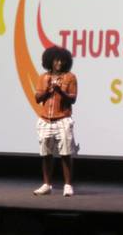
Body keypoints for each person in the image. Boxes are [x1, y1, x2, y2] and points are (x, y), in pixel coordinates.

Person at [33, 46, 78, 197]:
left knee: (66, 153)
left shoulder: (70, 77)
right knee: (46, 153)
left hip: (62, 119)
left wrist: (60, 91)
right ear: (50, 61)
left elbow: (73, 99)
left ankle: (68, 185)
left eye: (62, 60)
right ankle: (47, 185)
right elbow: (37, 98)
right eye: (56, 60)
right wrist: (48, 90)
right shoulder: (43, 77)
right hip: (45, 119)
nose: (59, 63)